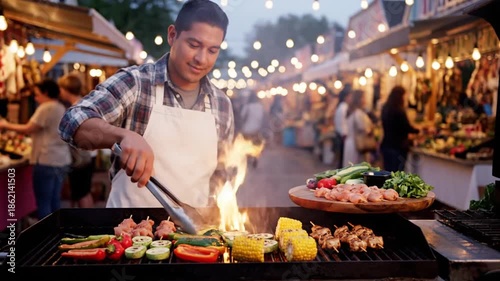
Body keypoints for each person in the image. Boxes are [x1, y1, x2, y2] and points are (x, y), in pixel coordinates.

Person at [58, 0, 233, 208]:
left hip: (193, 235)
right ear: (172, 35)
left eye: (212, 50)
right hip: (128, 232)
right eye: (193, 45)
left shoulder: (221, 104)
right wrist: (122, 136)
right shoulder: (136, 83)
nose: (201, 59)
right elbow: (71, 121)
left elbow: (221, 174)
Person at [0, 79, 71, 219]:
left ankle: (45, 236)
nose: (35, 97)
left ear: (45, 92)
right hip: (60, 159)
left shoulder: (46, 107)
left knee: (43, 202)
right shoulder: (60, 107)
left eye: (37, 94)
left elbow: (29, 128)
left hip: (46, 159)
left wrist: (5, 124)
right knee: (54, 200)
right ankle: (56, 232)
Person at [58, 73, 96, 208]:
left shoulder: (77, 108)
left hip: (81, 156)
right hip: (87, 155)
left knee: (82, 193)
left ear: (66, 89)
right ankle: (89, 222)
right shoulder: (84, 103)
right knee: (84, 192)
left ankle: (88, 224)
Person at [380, 86, 420, 172]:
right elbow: (406, 127)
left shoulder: (385, 108)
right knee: (397, 175)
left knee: (388, 173)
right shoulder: (399, 110)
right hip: (398, 147)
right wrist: (418, 130)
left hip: (386, 145)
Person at [342, 89, 374, 167]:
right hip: (357, 144)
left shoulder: (352, 111)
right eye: (364, 97)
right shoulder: (358, 113)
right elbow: (364, 129)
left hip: (351, 143)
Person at [239, 90, 266, 167]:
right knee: (256, 145)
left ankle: (246, 160)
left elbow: (242, 116)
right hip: (257, 130)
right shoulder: (260, 107)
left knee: (245, 145)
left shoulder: (247, 106)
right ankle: (255, 158)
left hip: (246, 129)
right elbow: (263, 118)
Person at [333, 84, 352, 169]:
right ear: (346, 96)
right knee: (342, 160)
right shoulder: (344, 107)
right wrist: (345, 135)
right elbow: (343, 124)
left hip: (340, 135)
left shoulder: (341, 106)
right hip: (342, 136)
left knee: (341, 160)